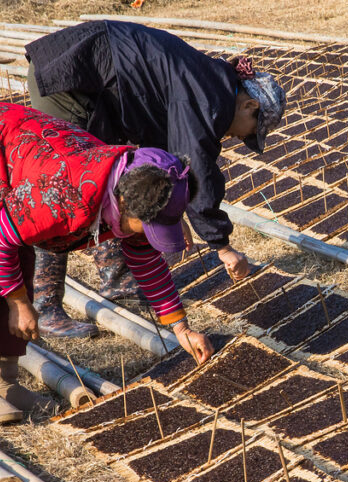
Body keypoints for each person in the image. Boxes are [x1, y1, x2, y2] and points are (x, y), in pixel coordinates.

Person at [0, 102, 215, 426]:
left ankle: (6, 383)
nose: (148, 235)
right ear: (126, 205)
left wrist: (181, 328)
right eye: (148, 226)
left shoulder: (131, 185)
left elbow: (146, 258)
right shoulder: (62, 190)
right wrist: (19, 303)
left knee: (19, 262)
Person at [24, 19, 286, 337]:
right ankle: (45, 307)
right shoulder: (209, 97)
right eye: (250, 131)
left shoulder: (207, 85)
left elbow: (163, 156)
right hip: (70, 82)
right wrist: (222, 246)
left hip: (89, 81)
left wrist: (177, 210)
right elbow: (197, 164)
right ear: (250, 105)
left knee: (110, 182)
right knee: (70, 192)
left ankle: (118, 283)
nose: (237, 137)